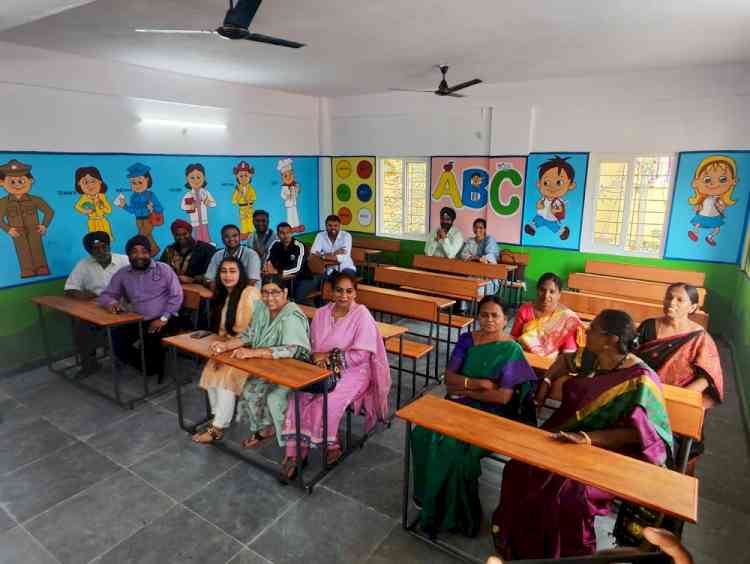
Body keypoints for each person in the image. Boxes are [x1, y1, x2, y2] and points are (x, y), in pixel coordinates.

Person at [493, 309, 673, 560]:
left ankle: (569, 556)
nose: (585, 332)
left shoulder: (642, 380)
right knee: (519, 470)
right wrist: (546, 382)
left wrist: (588, 438)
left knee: (566, 496)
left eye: (592, 330)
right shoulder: (593, 357)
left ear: (611, 340)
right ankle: (518, 546)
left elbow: (643, 435)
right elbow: (564, 361)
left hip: (610, 453)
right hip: (567, 437)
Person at [411, 296, 537, 538]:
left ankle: (455, 515)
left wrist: (463, 389)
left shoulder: (511, 349)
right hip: (457, 404)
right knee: (422, 434)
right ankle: (426, 495)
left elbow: (502, 397)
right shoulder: (467, 340)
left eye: (495, 316)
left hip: (490, 413)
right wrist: (478, 384)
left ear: (504, 320)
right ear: (477, 317)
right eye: (484, 315)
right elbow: (449, 379)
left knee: (455, 452)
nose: (489, 320)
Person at [280, 271, 391, 480]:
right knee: (298, 397)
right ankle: (295, 454)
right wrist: (316, 359)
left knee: (325, 401)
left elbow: (361, 355)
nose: (344, 296)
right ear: (331, 292)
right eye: (339, 290)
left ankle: (331, 445)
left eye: (349, 291)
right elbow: (313, 345)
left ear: (355, 293)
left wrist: (329, 358)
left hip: (354, 371)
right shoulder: (321, 313)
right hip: (320, 368)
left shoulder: (362, 315)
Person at [227, 274, 311, 449]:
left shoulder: (291, 316)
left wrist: (253, 352)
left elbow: (293, 350)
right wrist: (226, 345)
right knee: (249, 389)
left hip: (293, 370)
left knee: (274, 399)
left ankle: (292, 449)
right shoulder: (261, 308)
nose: (269, 297)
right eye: (265, 292)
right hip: (267, 366)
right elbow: (250, 333)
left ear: (285, 292)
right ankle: (266, 428)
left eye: (275, 292)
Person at [191, 257, 261, 443]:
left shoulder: (250, 292)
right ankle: (218, 417)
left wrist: (229, 347)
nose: (227, 275)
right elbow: (223, 331)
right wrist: (221, 347)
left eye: (232, 271)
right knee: (210, 369)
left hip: (252, 349)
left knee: (225, 376)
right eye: (223, 271)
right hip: (231, 346)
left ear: (241, 273)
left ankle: (219, 427)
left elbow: (255, 332)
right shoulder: (223, 295)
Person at [98, 235, 183, 379]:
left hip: (164, 319)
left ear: (149, 253)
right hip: (136, 319)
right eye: (134, 252)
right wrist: (112, 303)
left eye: (144, 251)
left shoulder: (163, 269)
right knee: (115, 337)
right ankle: (138, 362)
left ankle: (150, 365)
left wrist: (163, 318)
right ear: (129, 255)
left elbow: (177, 296)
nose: (139, 256)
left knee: (151, 359)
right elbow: (106, 295)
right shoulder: (123, 273)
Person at [636, 283, 723, 409]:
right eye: (668, 297)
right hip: (643, 391)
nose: (671, 303)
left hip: (677, 398)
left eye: (680, 300)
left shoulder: (700, 338)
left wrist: (677, 398)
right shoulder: (648, 326)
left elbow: (707, 377)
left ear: (692, 307)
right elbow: (631, 358)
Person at [64, 231, 129, 375]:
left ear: (109, 246)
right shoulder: (83, 264)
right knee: (81, 328)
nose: (101, 251)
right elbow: (69, 289)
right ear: (89, 251)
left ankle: (121, 357)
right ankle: (89, 364)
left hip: (125, 307)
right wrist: (83, 295)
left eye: (104, 246)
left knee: (116, 330)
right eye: (96, 248)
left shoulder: (125, 261)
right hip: (98, 309)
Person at [0, 159, 54, 278]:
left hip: (34, 229)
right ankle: (27, 269)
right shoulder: (3, 202)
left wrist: (44, 225)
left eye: (21, 181)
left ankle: (41, 267)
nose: (18, 185)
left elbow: (49, 212)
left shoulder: (35, 199)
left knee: (37, 248)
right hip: (17, 231)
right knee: (22, 250)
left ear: (30, 181)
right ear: (2, 183)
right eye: (12, 182)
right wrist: (8, 229)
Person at [511, 272, 582, 357]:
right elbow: (514, 338)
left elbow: (568, 351)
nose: (546, 296)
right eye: (542, 290)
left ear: (559, 294)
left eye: (552, 292)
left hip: (549, 365)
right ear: (537, 290)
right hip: (523, 358)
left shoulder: (566, 318)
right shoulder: (525, 310)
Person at [115, 162, 163, 256]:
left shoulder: (150, 195)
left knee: (141, 237)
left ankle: (146, 253)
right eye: (133, 183)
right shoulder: (133, 197)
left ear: (147, 180)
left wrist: (152, 208)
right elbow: (133, 210)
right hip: (138, 220)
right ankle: (155, 250)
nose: (137, 185)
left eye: (140, 182)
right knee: (148, 237)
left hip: (149, 219)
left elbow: (160, 208)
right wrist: (124, 206)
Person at [265, 222, 316, 304]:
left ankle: (312, 314)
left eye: (288, 232)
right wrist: (267, 268)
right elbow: (268, 261)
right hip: (283, 278)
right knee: (273, 293)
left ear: (292, 233)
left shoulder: (299, 246)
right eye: (282, 233)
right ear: (278, 235)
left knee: (298, 298)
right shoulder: (275, 244)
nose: (286, 236)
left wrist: (278, 271)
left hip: (303, 278)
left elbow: (297, 268)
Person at [204, 224, 261, 289]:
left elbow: (251, 281)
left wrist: (231, 294)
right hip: (225, 292)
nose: (231, 239)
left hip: (247, 294)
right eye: (226, 236)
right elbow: (209, 278)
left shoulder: (251, 254)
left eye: (234, 236)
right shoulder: (217, 255)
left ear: (240, 237)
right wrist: (217, 290)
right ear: (222, 239)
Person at [159, 219, 215, 284]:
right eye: (177, 235)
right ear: (173, 235)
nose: (181, 237)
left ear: (190, 232)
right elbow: (161, 269)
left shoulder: (206, 249)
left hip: (198, 288)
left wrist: (193, 280)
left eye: (185, 234)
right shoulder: (169, 250)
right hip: (172, 287)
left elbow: (212, 273)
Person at [459, 217, 501, 296]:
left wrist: (477, 258)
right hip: (472, 273)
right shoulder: (470, 241)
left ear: (485, 229)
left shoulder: (489, 240)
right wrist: (476, 258)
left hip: (487, 276)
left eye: (481, 228)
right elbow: (463, 255)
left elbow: (489, 257)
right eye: (475, 227)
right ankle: (464, 309)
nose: (478, 230)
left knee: (477, 289)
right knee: (464, 286)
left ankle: (475, 307)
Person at [73, 166, 113, 240]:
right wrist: (86, 211)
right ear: (79, 184)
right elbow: (77, 207)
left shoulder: (102, 197)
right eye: (85, 182)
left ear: (100, 181)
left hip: (103, 222)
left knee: (107, 240)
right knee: (94, 241)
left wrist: (101, 207)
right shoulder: (84, 198)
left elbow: (109, 210)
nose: (90, 185)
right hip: (92, 222)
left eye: (93, 181)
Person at [180, 163, 216, 244]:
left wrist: (208, 202)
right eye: (192, 178)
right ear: (187, 179)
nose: (196, 180)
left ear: (204, 178)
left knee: (205, 231)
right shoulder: (188, 194)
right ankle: (198, 244)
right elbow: (183, 206)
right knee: (197, 232)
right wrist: (190, 206)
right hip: (195, 219)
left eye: (198, 177)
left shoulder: (205, 193)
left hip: (203, 219)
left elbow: (214, 203)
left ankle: (207, 243)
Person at [231, 160, 256, 240]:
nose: (244, 178)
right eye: (241, 176)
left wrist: (249, 199)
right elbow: (234, 201)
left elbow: (254, 197)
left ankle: (252, 234)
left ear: (250, 177)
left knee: (251, 221)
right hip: (242, 208)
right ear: (237, 177)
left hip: (250, 207)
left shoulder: (250, 188)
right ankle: (244, 234)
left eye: (246, 176)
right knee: (243, 222)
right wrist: (239, 195)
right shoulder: (238, 189)